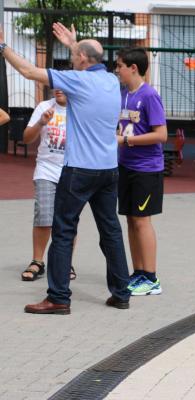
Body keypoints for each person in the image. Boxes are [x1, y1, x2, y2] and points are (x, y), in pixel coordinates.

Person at [0, 23, 131, 314]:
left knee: (62, 231)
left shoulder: (77, 80)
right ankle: (121, 293)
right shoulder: (111, 81)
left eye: (74, 56)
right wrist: (74, 43)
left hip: (79, 170)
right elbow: (87, 55)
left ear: (83, 61)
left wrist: (2, 48)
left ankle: (58, 297)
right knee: (110, 230)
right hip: (109, 170)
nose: (71, 60)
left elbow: (29, 72)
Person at [114, 47, 167, 296]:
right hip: (126, 167)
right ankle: (137, 273)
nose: (117, 70)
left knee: (142, 221)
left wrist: (125, 142)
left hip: (146, 170)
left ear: (133, 68)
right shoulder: (124, 94)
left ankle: (151, 277)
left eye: (119, 66)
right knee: (130, 220)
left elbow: (161, 134)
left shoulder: (149, 96)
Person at [20, 89, 77, 282]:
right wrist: (41, 123)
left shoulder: (80, 108)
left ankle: (65, 262)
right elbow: (26, 138)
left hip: (72, 170)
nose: (59, 89)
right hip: (46, 169)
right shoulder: (44, 107)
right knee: (44, 215)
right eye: (56, 85)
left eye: (64, 85)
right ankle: (38, 261)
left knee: (68, 220)